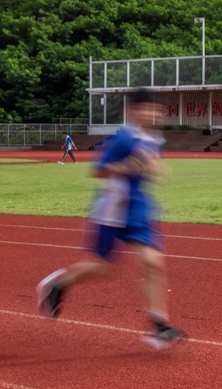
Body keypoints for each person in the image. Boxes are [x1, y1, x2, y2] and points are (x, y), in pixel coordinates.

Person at [36, 88, 184, 350]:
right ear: (132, 111)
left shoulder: (155, 138)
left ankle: (160, 324)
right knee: (104, 267)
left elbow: (147, 167)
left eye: (154, 109)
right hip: (112, 209)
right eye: (144, 108)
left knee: (153, 262)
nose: (151, 113)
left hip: (138, 206)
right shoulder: (123, 139)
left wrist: (153, 168)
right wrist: (127, 166)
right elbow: (98, 171)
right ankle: (58, 284)